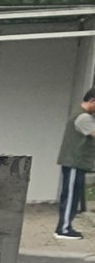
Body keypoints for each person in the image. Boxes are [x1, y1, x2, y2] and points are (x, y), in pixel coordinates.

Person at [53, 87, 95, 240]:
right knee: (70, 196)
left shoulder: (81, 114)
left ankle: (66, 226)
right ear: (92, 100)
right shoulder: (83, 118)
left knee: (72, 195)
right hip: (74, 162)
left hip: (77, 163)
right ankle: (63, 229)